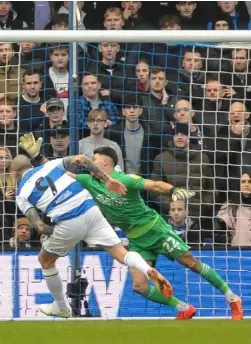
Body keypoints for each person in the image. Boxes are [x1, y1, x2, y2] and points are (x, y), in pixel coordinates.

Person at [20, 135, 243, 320]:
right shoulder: (87, 180)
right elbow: (52, 176)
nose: (90, 160)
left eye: (94, 158)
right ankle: (183, 307)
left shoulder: (124, 179)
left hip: (155, 229)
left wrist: (173, 190)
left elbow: (154, 184)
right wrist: (38, 158)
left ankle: (231, 297)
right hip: (136, 239)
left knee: (192, 264)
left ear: (105, 162)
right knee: (140, 287)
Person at [12, 150, 172, 318]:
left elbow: (40, 227)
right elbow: (82, 159)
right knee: (121, 254)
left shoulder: (21, 194)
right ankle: (147, 269)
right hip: (91, 209)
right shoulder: (50, 165)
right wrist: (107, 179)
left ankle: (61, 307)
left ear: (14, 173)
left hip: (68, 220)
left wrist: (66, 233)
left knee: (45, 260)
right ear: (31, 165)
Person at [215, 172, 251, 246]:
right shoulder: (229, 206)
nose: (247, 185)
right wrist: (230, 240)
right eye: (243, 182)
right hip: (237, 252)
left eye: (250, 182)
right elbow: (218, 232)